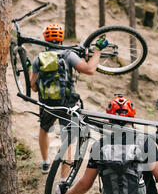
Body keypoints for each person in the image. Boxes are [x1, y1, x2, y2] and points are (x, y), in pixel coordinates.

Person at [29, 23, 108, 173]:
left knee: (44, 129)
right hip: (68, 104)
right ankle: (63, 181)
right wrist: (97, 50)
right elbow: (90, 70)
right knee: (68, 141)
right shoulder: (68, 54)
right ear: (61, 39)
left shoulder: (38, 59)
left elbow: (33, 87)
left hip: (47, 104)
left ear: (45, 38)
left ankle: (45, 163)